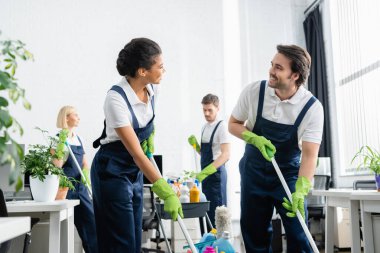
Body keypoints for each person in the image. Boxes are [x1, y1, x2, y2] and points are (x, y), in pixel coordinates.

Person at [91, 38, 183, 253]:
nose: (164, 70)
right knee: (120, 244)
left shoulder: (152, 90)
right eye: (160, 66)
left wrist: (150, 135)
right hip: (111, 171)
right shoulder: (116, 98)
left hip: (134, 172)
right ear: (142, 71)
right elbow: (136, 154)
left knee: (134, 241)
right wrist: (165, 190)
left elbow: (146, 122)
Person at [228, 44, 324, 252]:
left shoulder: (312, 108)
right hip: (253, 170)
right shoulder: (255, 91)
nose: (271, 71)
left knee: (299, 232)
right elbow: (233, 124)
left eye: (279, 68)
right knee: (254, 232)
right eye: (272, 65)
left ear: (295, 75)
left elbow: (309, 156)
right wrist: (254, 138)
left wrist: (301, 189)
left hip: (288, 173)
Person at [54, 105, 98, 253]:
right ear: (66, 118)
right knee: (63, 227)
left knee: (91, 225)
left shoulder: (79, 139)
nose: (79, 117)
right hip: (66, 189)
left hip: (82, 188)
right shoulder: (58, 139)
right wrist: (61, 145)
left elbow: (85, 163)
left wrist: (86, 176)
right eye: (75, 115)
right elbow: (56, 166)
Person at [188, 94, 230, 229]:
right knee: (206, 211)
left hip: (216, 176)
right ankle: (208, 245)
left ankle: (220, 246)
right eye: (204, 110)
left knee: (218, 214)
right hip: (206, 175)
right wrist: (196, 147)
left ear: (217, 108)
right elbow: (206, 153)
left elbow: (225, 155)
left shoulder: (222, 126)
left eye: (209, 110)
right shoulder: (205, 127)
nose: (206, 113)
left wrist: (205, 172)